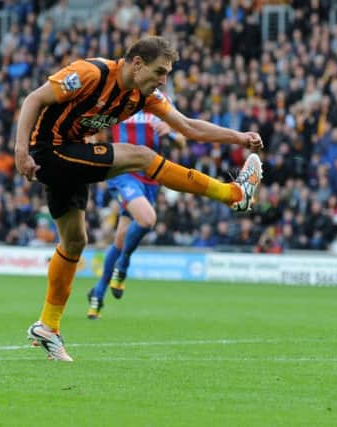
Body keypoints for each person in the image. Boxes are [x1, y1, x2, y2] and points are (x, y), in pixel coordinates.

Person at [15, 36, 263, 362]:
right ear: (137, 63)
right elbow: (34, 99)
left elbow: (187, 126)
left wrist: (239, 138)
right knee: (141, 157)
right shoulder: (90, 73)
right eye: (160, 72)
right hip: (49, 151)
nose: (163, 80)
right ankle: (231, 194)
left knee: (75, 241)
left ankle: (48, 326)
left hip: (72, 154)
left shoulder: (142, 96)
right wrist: (21, 150)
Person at [86, 98, 186, 319]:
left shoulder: (161, 104)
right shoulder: (120, 99)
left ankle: (97, 294)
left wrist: (169, 132)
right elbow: (91, 127)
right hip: (123, 172)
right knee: (147, 219)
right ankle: (123, 267)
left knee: (121, 239)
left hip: (150, 179)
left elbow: (182, 142)